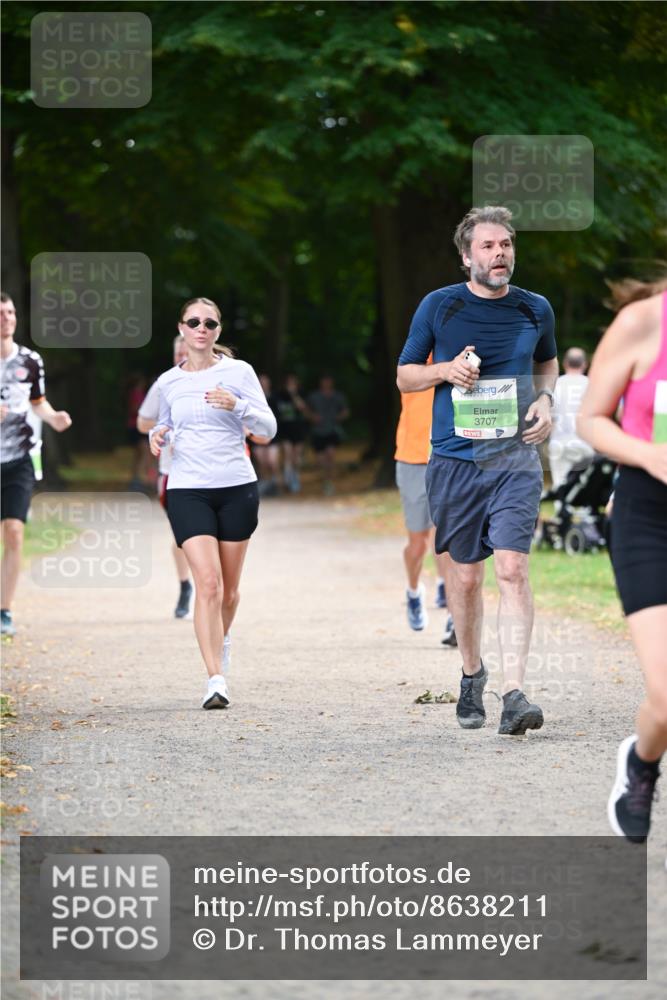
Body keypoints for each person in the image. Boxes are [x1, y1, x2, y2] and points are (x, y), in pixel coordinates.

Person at [397, 206, 558, 735]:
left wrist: (547, 400)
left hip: (513, 457)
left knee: (512, 569)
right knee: (466, 579)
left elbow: (547, 363)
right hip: (454, 458)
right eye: (488, 246)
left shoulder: (536, 309)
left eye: (506, 244)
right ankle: (472, 673)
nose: (500, 253)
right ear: (467, 256)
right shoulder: (439, 307)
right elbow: (405, 376)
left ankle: (514, 693)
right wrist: (445, 370)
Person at [149, 297, 277, 709]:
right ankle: (215, 678)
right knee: (207, 583)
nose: (201, 328)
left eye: (209, 322)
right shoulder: (169, 381)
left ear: (217, 331)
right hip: (188, 489)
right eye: (194, 322)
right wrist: (158, 434)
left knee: (229, 592)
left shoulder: (239, 373)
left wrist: (236, 404)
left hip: (236, 486)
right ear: (182, 329)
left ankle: (221, 639)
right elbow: (166, 422)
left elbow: (268, 428)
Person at [577, 276, 667, 843]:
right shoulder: (644, 322)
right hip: (650, 516)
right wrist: (650, 455)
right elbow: (590, 418)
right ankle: (641, 762)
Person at [1, 291, 72, 637]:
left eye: (10, 312)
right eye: (1, 313)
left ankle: (4, 611)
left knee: (14, 533)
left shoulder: (30, 360)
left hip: (19, 459)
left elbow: (38, 403)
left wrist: (54, 416)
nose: (7, 318)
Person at [395, 379, 455, 644]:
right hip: (413, 458)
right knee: (417, 544)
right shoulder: (416, 355)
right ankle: (413, 590)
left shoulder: (459, 352)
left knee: (446, 538)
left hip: (448, 456)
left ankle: (455, 615)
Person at [137, 335, 193, 619]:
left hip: (209, 472)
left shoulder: (214, 380)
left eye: (186, 351)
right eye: (177, 353)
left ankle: (212, 586)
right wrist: (163, 425)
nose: (182, 356)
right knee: (183, 535)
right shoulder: (164, 383)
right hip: (173, 472)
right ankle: (186, 586)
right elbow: (142, 421)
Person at [548, 347, 595, 488]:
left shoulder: (554, 384)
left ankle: (561, 508)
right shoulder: (591, 385)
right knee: (584, 487)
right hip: (585, 443)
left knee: (559, 485)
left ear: (565, 363)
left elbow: (549, 417)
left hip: (559, 441)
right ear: (585, 364)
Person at [306, 374, 349, 495]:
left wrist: (339, 417)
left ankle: (329, 481)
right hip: (318, 431)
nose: (326, 383)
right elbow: (306, 411)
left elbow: (345, 411)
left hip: (332, 430)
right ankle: (324, 479)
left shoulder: (338, 396)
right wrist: (312, 417)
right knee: (320, 460)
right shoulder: (314, 396)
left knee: (330, 454)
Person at [274, 373, 308, 493]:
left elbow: (302, 408)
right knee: (288, 454)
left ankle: (295, 477)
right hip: (285, 430)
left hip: (298, 429)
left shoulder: (300, 394)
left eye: (293, 383)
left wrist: (293, 394)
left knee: (296, 457)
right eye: (288, 383)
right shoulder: (279, 395)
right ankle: (288, 480)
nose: (290, 385)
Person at [252, 374, 281, 496]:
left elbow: (278, 417)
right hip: (257, 435)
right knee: (262, 463)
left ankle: (277, 485)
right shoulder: (253, 397)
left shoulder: (274, 398)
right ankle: (266, 486)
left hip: (272, 436)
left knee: (272, 461)